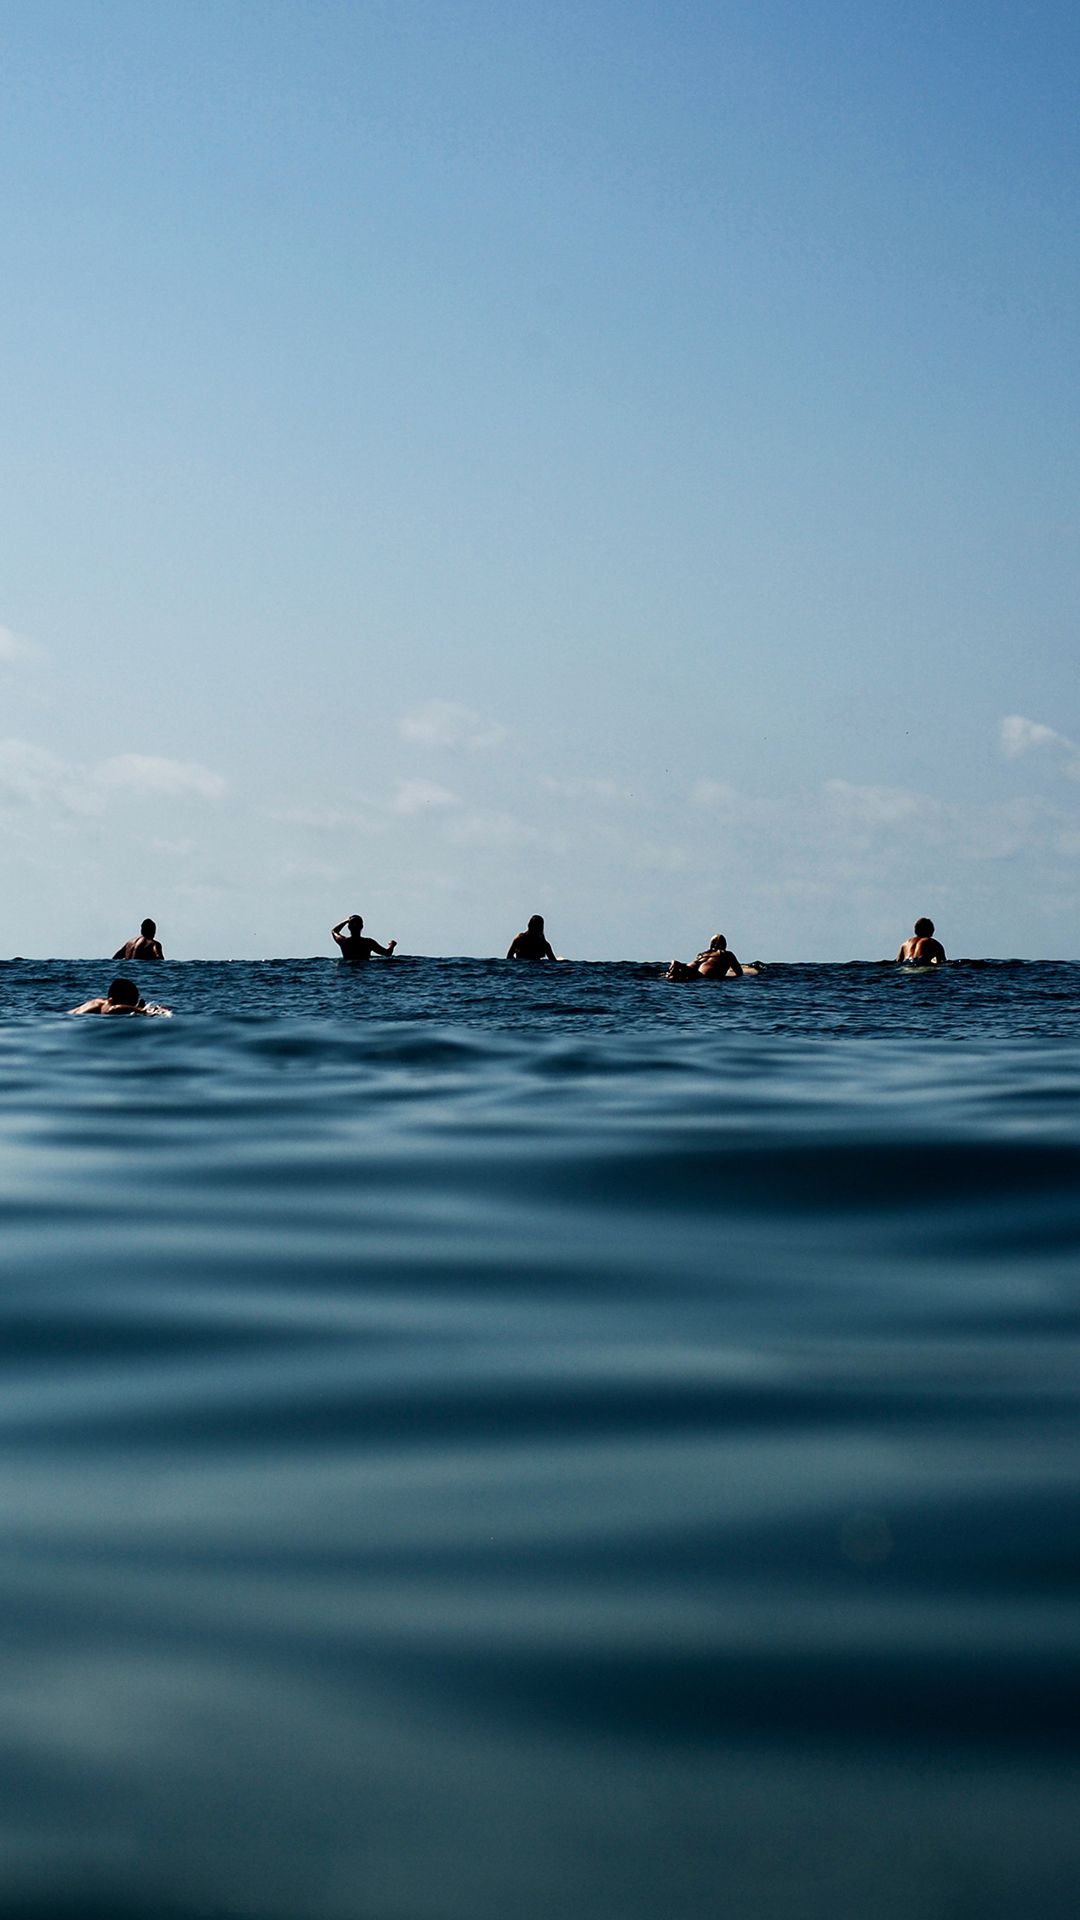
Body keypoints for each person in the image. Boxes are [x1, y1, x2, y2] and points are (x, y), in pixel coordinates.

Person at [69, 977, 171, 1016]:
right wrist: (142, 1010)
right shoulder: (108, 1003)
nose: (135, 1002)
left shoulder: (99, 1002)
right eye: (133, 999)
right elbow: (110, 1011)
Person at [666, 933, 743, 981]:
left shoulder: (702, 954)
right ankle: (677, 965)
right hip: (702, 976)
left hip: (690, 969)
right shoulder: (727, 954)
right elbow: (739, 973)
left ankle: (677, 966)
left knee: (677, 975)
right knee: (694, 976)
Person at [331, 915, 397, 963]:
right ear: (362, 927)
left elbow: (334, 931)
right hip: (364, 969)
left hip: (348, 966)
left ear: (348, 927)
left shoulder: (343, 941)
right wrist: (392, 945)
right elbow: (387, 953)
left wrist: (347, 921)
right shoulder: (368, 942)